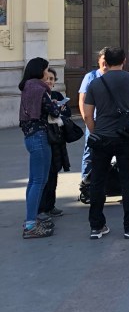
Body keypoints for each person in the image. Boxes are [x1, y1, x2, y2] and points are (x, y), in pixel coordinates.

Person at [83, 47, 129, 240]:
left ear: (105, 62)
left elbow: (87, 115)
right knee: (128, 180)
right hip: (125, 137)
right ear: (124, 60)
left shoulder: (95, 83)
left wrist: (95, 132)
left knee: (97, 181)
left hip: (101, 137)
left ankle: (96, 226)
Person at [19, 57, 62, 239]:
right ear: (40, 70)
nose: (47, 73)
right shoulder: (40, 89)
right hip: (39, 137)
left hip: (30, 137)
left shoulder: (27, 87)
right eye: (46, 69)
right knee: (38, 181)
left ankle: (32, 218)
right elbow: (54, 112)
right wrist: (56, 105)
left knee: (34, 181)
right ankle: (30, 225)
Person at [37, 67, 71, 221]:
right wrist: (55, 109)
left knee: (54, 173)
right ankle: (41, 208)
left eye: (52, 79)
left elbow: (67, 112)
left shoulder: (57, 95)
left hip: (58, 139)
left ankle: (51, 206)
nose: (49, 81)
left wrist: (59, 110)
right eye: (47, 79)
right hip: (46, 138)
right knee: (45, 175)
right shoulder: (40, 95)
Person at [78, 49, 107, 188]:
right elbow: (82, 100)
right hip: (93, 121)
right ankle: (86, 183)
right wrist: (86, 119)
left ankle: (107, 182)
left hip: (109, 122)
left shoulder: (114, 76)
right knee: (89, 152)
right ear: (98, 60)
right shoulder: (91, 76)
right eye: (103, 60)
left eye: (108, 61)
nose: (105, 63)